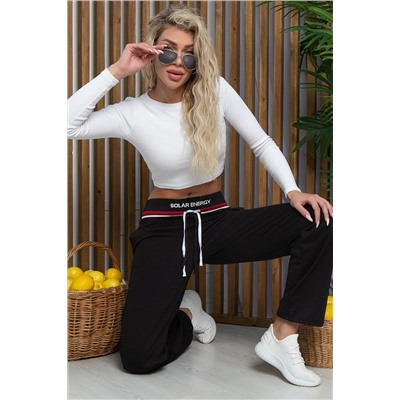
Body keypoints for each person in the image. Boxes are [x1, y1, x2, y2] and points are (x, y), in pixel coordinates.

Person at [68, 4, 333, 387]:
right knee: (139, 357)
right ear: (151, 52)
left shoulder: (215, 91)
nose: (178, 61)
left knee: (318, 219)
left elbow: (261, 141)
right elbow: (65, 125)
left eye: (188, 53)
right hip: (165, 229)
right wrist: (118, 71)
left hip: (215, 221)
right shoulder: (134, 112)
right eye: (168, 50)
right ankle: (189, 313)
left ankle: (282, 336)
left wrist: (293, 191)